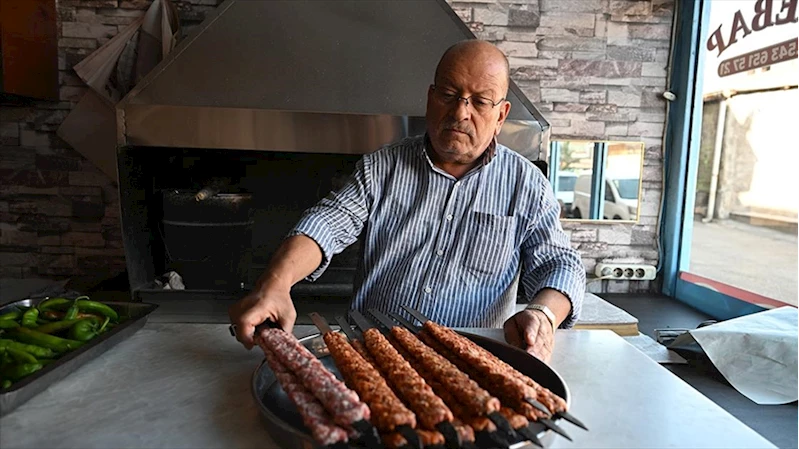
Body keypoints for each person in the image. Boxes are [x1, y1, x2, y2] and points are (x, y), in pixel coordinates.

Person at [229, 40, 585, 361]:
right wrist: (275, 283)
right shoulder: (382, 166)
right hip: (373, 355)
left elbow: (561, 264)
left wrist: (543, 314)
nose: (461, 112)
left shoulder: (526, 184)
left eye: (480, 101)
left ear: (501, 116)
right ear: (430, 98)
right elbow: (327, 222)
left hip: (472, 364)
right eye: (449, 93)